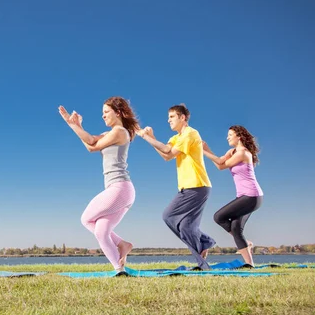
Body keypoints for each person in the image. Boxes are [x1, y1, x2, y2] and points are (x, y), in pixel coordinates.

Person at [58, 97, 140, 273]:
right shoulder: (107, 134)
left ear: (118, 113)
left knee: (86, 219)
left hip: (120, 188)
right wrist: (76, 126)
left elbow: (93, 147)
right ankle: (120, 264)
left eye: (106, 112)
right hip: (119, 190)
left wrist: (73, 125)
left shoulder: (120, 132)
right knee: (101, 232)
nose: (103, 116)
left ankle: (120, 253)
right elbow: (90, 144)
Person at [137, 104, 215, 270]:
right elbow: (166, 156)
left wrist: (146, 137)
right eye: (168, 117)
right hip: (191, 187)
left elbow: (167, 150)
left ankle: (202, 261)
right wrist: (152, 138)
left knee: (168, 215)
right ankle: (205, 245)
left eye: (172, 117)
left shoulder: (191, 134)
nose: (168, 120)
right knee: (186, 226)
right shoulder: (177, 138)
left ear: (183, 118)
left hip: (197, 185)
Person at [202, 125, 263, 266]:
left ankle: (245, 243)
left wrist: (205, 151)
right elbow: (219, 165)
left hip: (252, 196)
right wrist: (208, 151)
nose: (227, 137)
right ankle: (250, 263)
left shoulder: (243, 153)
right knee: (235, 229)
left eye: (230, 135)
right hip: (244, 197)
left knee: (219, 216)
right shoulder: (232, 152)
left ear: (239, 136)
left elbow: (220, 163)